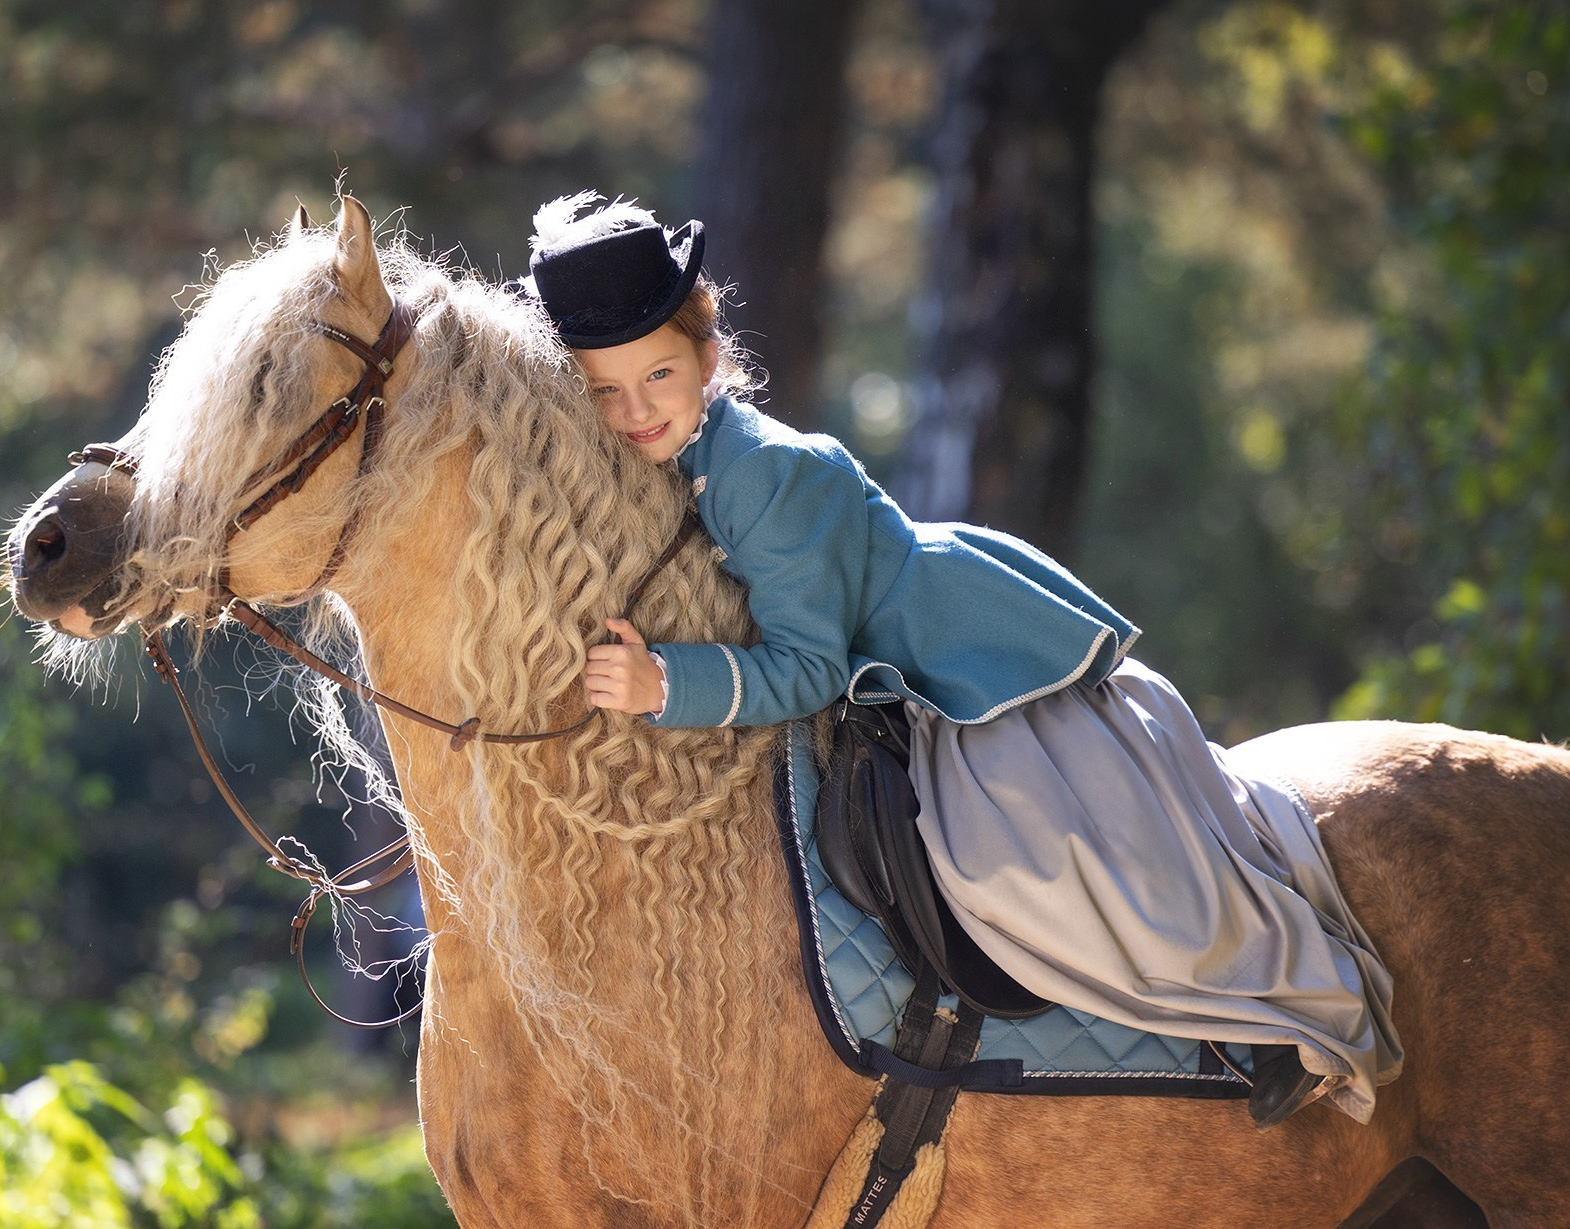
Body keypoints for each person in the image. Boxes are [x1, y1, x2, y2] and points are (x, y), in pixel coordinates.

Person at [520, 192, 1404, 1130]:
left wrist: (668, 684)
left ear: (707, 355)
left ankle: (1294, 1011)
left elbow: (812, 664)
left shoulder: (759, 473)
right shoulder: (682, 458)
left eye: (656, 373)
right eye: (605, 391)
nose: (634, 409)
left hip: (942, 653)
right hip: (894, 663)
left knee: (1029, 858)